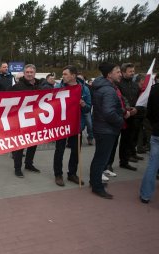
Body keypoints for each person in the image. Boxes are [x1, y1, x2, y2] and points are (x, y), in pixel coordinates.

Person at [89, 62, 128, 199]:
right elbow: (108, 112)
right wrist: (121, 120)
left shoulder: (102, 86)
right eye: (117, 71)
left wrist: (122, 110)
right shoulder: (109, 90)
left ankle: (94, 182)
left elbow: (107, 108)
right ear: (109, 74)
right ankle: (97, 187)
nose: (120, 74)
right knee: (101, 159)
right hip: (106, 130)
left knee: (98, 158)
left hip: (101, 127)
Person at [53, 66, 91, 186]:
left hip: (76, 125)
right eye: (63, 74)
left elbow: (88, 109)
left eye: (65, 74)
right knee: (59, 150)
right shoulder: (58, 88)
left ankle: (72, 174)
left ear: (73, 76)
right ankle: (58, 174)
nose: (62, 76)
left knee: (75, 151)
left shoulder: (84, 89)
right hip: (62, 125)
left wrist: (83, 104)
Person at [11, 64, 42, 177]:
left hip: (35, 119)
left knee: (33, 143)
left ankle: (29, 164)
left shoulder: (39, 85)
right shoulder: (17, 87)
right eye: (27, 72)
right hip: (21, 120)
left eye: (31, 72)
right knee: (20, 145)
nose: (29, 74)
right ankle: (17, 168)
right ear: (24, 73)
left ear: (34, 73)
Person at [118, 63, 141, 170]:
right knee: (114, 142)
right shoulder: (118, 84)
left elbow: (138, 99)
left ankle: (124, 161)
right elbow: (119, 99)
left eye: (133, 71)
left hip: (133, 115)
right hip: (120, 115)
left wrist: (136, 108)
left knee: (128, 139)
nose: (132, 73)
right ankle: (107, 165)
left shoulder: (135, 85)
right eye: (130, 71)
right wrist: (126, 110)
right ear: (123, 72)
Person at [139, 82, 159, 203]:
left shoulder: (155, 89)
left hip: (157, 131)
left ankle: (145, 195)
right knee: (153, 164)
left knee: (153, 164)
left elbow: (149, 112)